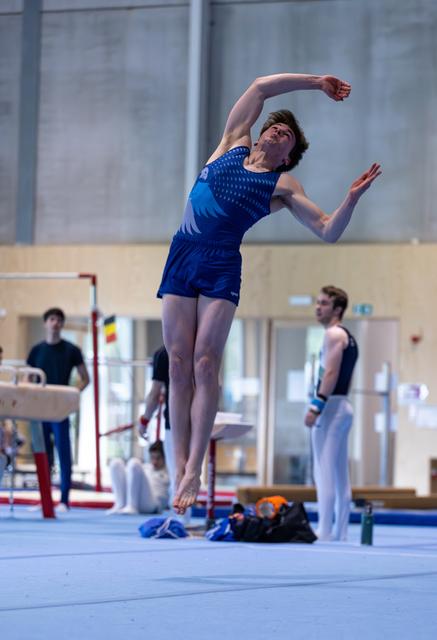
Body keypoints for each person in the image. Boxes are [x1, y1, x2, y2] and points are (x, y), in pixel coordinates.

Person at [157, 72, 381, 514]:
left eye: (288, 135)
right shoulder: (231, 143)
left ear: (288, 155)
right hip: (183, 253)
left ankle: (194, 466)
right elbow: (260, 87)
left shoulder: (282, 187)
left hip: (222, 263)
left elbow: (326, 231)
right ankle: (179, 460)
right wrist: (317, 82)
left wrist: (351, 199)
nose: (278, 130)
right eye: (276, 127)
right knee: (178, 362)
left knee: (205, 360)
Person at [304, 286, 359, 541]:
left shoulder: (333, 334)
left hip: (331, 408)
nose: (318, 307)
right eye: (317, 302)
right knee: (339, 473)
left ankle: (325, 530)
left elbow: (330, 373)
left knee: (323, 470)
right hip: (343, 406)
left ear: (337, 310)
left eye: (324, 303)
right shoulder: (347, 335)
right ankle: (341, 531)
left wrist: (317, 406)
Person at [27, 308, 89, 511]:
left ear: (62, 325)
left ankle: (64, 500)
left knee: (63, 454)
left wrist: (72, 394)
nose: (55, 323)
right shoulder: (36, 351)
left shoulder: (71, 350)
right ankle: (44, 498)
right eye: (52, 319)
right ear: (45, 323)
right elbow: (29, 380)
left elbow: (85, 378)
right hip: (40, 408)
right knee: (43, 454)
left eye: (59, 320)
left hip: (60, 408)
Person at [138, 345, 178, 506]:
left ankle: (180, 518)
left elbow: (155, 394)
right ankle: (183, 515)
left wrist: (144, 421)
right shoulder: (203, 345)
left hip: (175, 422)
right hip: (198, 421)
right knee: (191, 471)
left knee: (177, 472)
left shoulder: (164, 353)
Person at [107, 440, 170, 515]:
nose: (155, 461)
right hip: (136, 500)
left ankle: (132, 506)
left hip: (153, 505)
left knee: (134, 463)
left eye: (158, 458)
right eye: (152, 457)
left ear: (165, 458)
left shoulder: (169, 472)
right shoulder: (145, 468)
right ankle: (120, 504)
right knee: (116, 463)